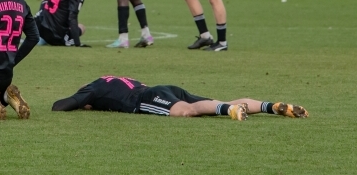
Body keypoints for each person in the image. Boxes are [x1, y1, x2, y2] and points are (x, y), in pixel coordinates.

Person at [52, 75, 309, 120]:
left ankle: (229, 112)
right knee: (216, 102)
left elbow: (59, 106)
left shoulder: (92, 88)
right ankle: (270, 106)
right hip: (164, 88)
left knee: (186, 111)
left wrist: (85, 101)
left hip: (148, 98)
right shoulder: (110, 79)